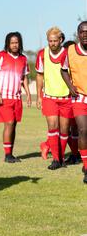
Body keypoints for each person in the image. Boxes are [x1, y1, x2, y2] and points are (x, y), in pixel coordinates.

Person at [35, 28, 73, 170]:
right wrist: (39, 95)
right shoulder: (42, 54)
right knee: (53, 126)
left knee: (64, 130)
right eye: (50, 41)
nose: (52, 43)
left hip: (66, 98)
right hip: (49, 97)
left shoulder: (68, 53)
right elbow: (39, 75)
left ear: (61, 40)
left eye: (55, 41)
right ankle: (56, 159)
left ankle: (61, 158)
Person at [0, 32, 31, 163]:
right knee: (8, 123)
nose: (15, 45)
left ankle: (11, 153)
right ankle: (7, 155)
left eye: (17, 42)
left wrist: (29, 94)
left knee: (13, 125)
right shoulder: (0, 56)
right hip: (4, 97)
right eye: (12, 43)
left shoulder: (23, 59)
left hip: (17, 97)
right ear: (8, 44)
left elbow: (24, 77)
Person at [61, 21, 87, 183]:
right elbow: (63, 70)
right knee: (83, 130)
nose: (85, 34)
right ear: (78, 34)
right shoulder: (70, 50)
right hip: (80, 98)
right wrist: (70, 86)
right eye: (82, 31)